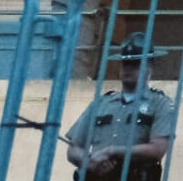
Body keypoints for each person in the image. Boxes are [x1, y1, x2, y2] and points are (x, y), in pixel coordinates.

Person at [63, 35, 176, 181]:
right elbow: (74, 148)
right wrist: (90, 163)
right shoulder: (101, 103)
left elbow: (158, 149)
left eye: (135, 64)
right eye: (125, 63)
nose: (128, 68)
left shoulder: (160, 103)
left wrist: (113, 151)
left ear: (149, 66)